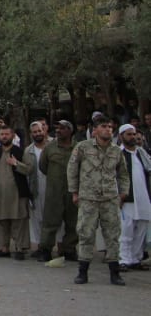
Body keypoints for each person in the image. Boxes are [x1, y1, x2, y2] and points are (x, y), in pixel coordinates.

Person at [68, 115, 129, 286]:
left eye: (110, 127)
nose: (108, 129)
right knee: (86, 233)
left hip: (109, 199)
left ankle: (115, 273)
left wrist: (123, 193)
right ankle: (82, 272)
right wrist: (74, 192)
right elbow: (72, 169)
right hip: (88, 198)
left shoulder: (116, 150)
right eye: (104, 126)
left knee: (112, 235)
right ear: (95, 130)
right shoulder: (83, 147)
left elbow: (123, 173)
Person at [0, 125, 32, 260]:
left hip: (17, 193)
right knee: (0, 220)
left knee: (19, 220)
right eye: (2, 134)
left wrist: (16, 164)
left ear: (12, 136)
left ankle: (19, 248)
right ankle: (3, 247)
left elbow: (29, 169)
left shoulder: (20, 151)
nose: (4, 136)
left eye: (7, 134)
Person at [36, 120, 79, 261]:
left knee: (73, 222)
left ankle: (69, 249)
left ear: (70, 131)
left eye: (63, 128)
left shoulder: (79, 147)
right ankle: (45, 249)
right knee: (50, 221)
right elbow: (43, 166)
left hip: (73, 190)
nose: (59, 131)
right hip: (54, 191)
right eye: (57, 128)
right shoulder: (50, 147)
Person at [118, 123, 151, 271]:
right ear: (121, 137)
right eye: (129, 134)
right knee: (126, 230)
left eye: (133, 134)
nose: (132, 137)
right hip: (126, 199)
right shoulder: (118, 154)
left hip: (143, 197)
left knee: (141, 229)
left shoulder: (141, 153)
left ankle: (136, 259)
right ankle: (124, 259)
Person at [24, 121, 50, 252]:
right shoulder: (28, 151)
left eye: (39, 131)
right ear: (31, 134)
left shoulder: (53, 146)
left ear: (44, 131)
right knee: (37, 219)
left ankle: (58, 247)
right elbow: (26, 171)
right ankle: (41, 248)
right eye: (35, 132)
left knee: (54, 219)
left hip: (53, 189)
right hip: (36, 188)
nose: (38, 134)